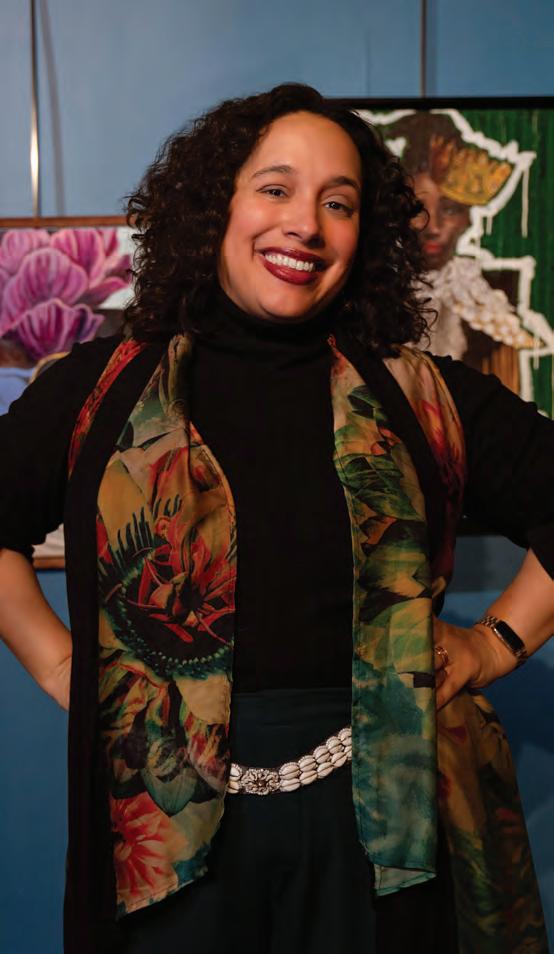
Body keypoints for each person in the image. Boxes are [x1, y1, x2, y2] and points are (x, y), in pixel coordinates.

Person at [0, 83, 552, 954]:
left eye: (339, 203)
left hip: (380, 833)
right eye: (275, 189)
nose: (305, 225)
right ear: (214, 206)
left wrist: (494, 644)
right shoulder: (100, 390)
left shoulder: (417, 394)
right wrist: (61, 662)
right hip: (161, 838)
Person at [382, 110, 536, 394]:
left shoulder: (491, 300)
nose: (433, 227)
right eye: (417, 210)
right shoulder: (374, 293)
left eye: (451, 209)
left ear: (467, 218)